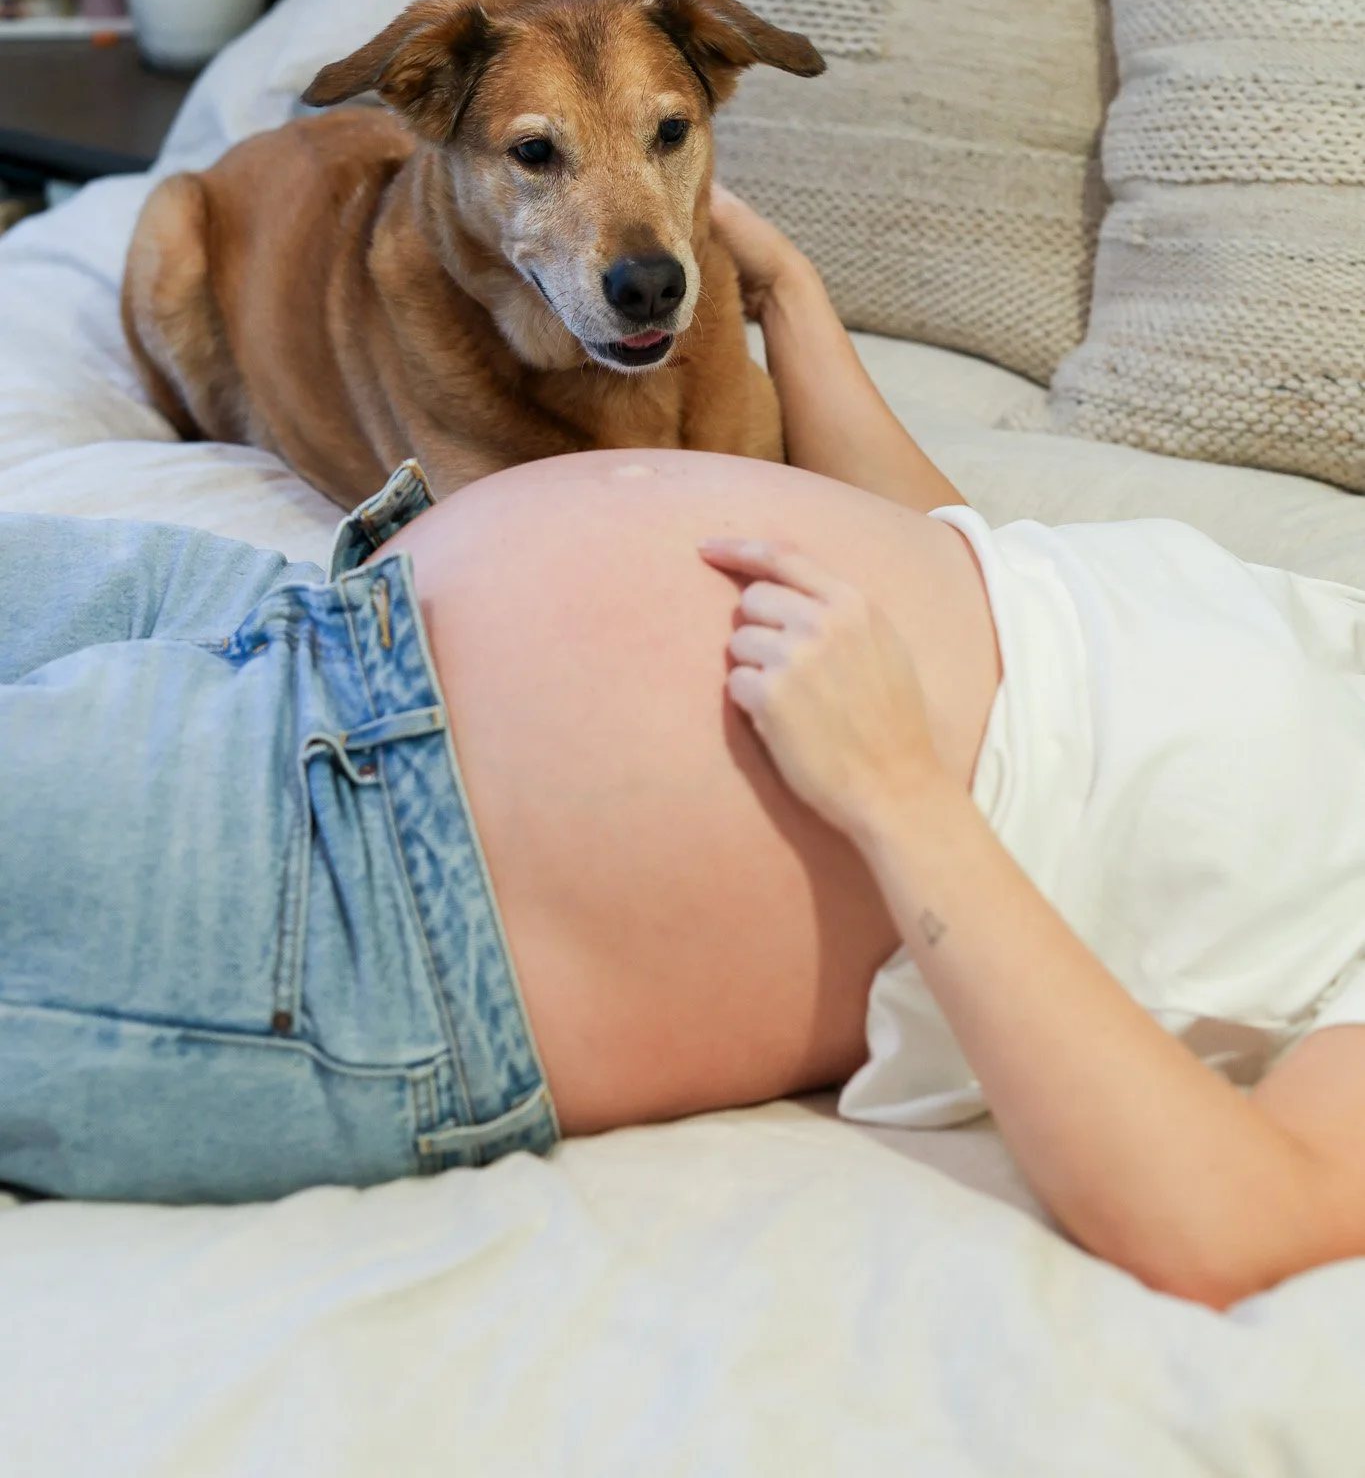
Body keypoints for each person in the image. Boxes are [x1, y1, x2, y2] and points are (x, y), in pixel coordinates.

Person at [3, 188, 1365, 1311]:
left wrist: (899, 798)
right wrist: (794, 309)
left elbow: (1243, 1219)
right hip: (314, 612)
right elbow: (1003, 579)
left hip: (378, 890)